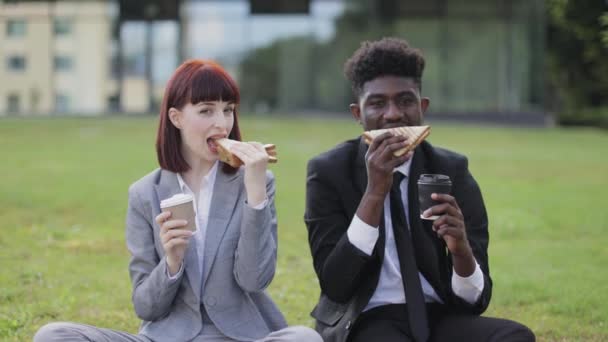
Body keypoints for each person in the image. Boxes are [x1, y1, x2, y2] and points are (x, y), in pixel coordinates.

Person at [35, 59, 322, 342]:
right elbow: (146, 306)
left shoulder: (256, 182)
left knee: (305, 338)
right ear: (176, 118)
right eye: (206, 110)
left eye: (228, 110)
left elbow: (254, 280)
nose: (221, 124)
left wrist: (256, 192)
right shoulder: (145, 194)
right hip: (169, 338)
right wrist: (171, 262)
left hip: (240, 337)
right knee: (53, 335)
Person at [304, 38, 535, 342]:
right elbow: (335, 285)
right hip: (367, 319)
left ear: (422, 107)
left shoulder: (451, 169)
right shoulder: (329, 171)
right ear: (357, 114)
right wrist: (374, 192)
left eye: (405, 100)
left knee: (515, 336)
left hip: (438, 315)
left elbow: (475, 300)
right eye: (377, 103)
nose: (393, 114)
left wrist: (460, 248)